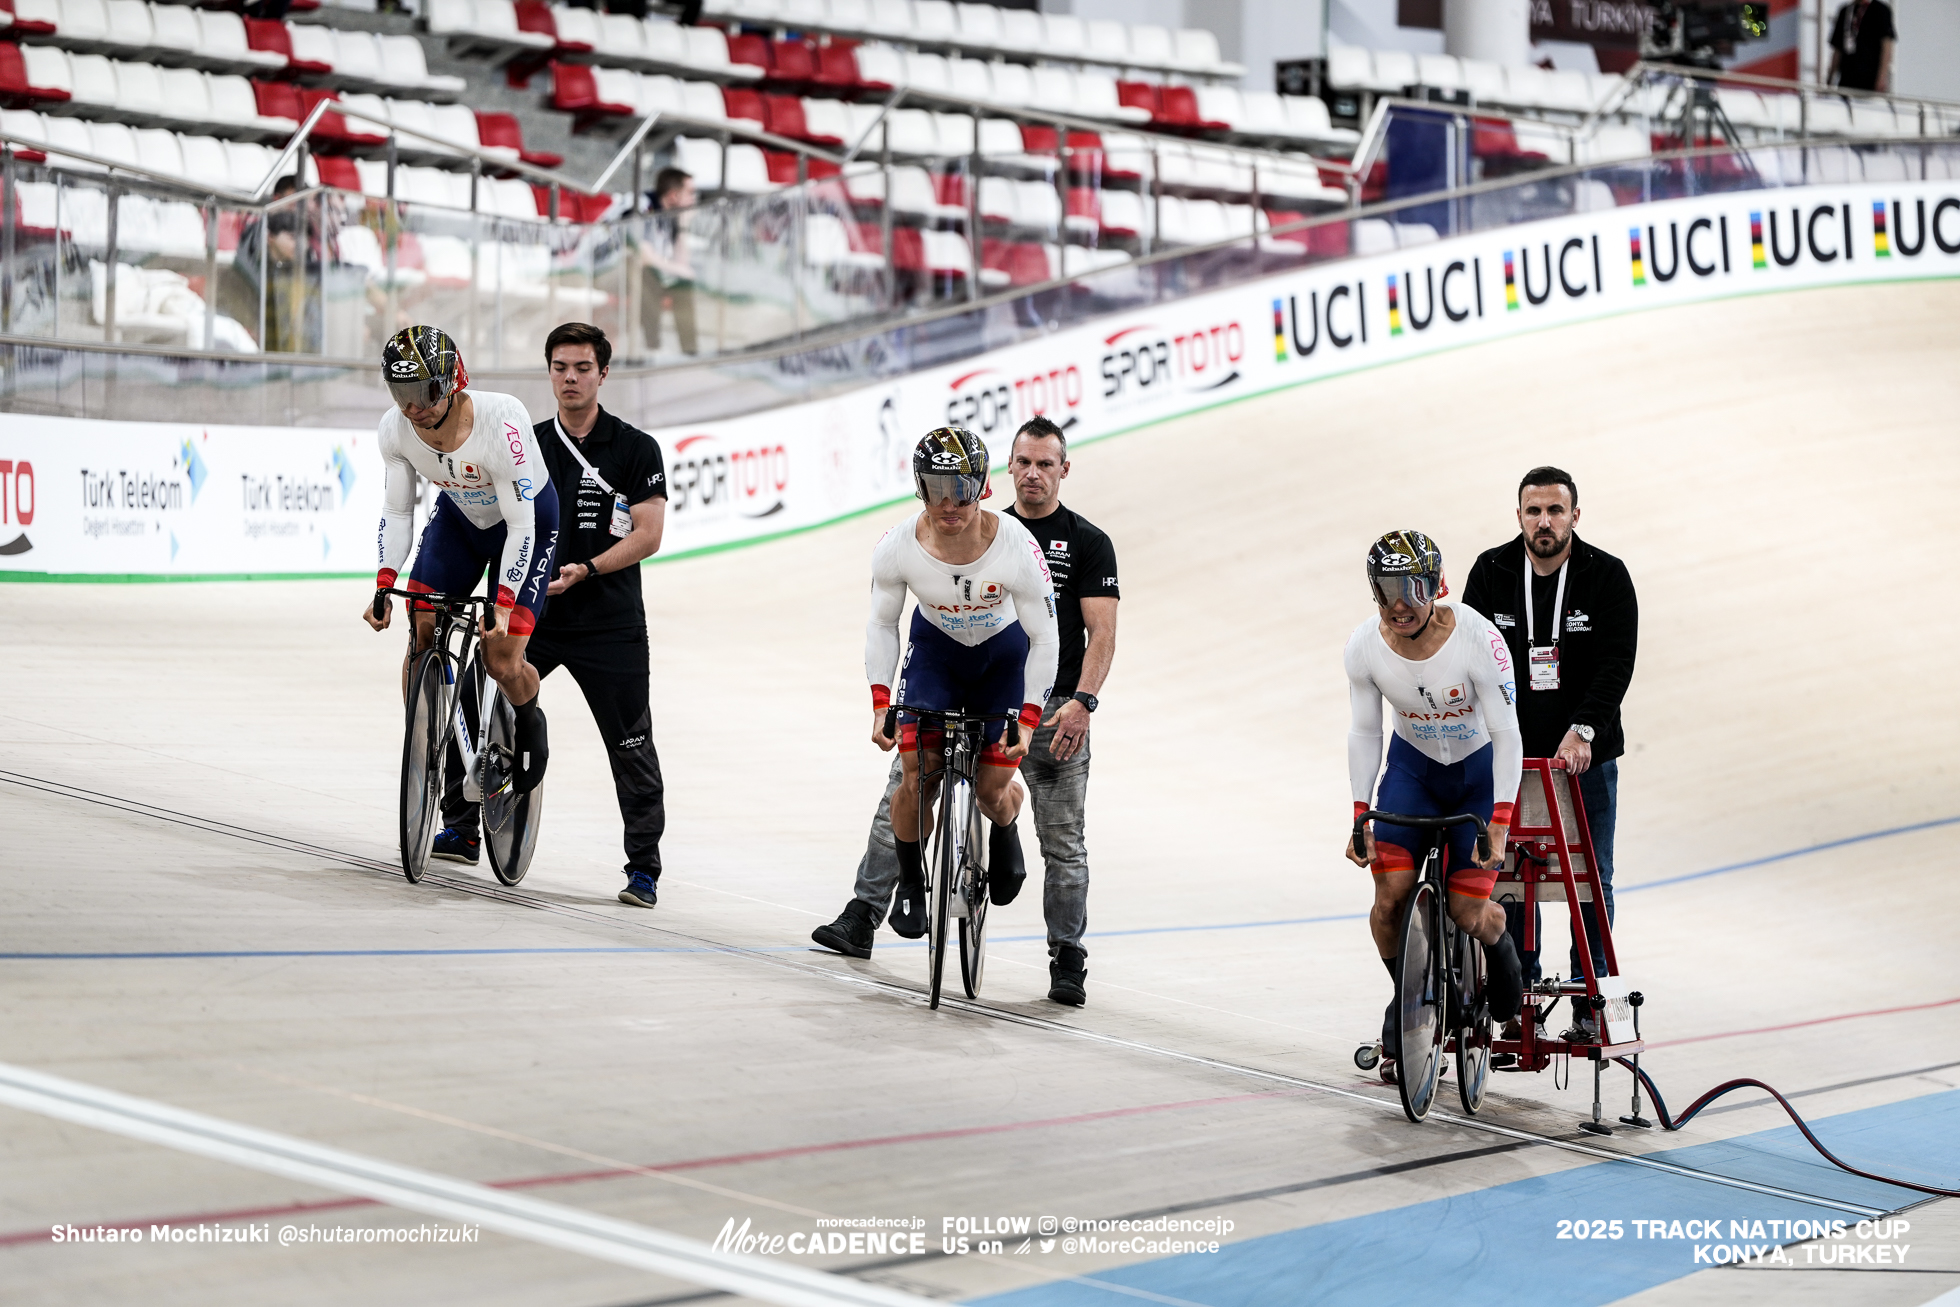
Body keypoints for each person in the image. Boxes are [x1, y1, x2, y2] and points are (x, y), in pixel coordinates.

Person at [811, 416, 1118, 1007]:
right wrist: (880, 702)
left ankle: (1056, 935)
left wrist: (1054, 710)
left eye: (1045, 463)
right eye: (936, 489)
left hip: (1023, 678)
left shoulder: (1048, 545)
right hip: (940, 661)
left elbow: (1072, 636)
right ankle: (891, 897)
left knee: (1021, 810)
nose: (948, 503)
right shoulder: (905, 541)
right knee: (910, 777)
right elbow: (882, 623)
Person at [430, 323, 671, 909]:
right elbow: (484, 520)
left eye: (582, 367)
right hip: (530, 612)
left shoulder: (636, 448)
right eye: (560, 367)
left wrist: (587, 569)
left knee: (630, 741)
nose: (570, 377)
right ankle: (461, 827)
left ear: (603, 373)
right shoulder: (525, 442)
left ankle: (643, 867)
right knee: (469, 697)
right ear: (549, 373)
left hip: (609, 622)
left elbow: (650, 535)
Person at [1461, 467, 1637, 1033]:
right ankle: (1518, 1003)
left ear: (1574, 517)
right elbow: (1469, 655)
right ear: (1519, 516)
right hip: (1512, 759)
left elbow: (1616, 662)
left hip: (1583, 759)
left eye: (1555, 511)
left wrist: (1584, 728)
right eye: (1533, 511)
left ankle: (1592, 1003)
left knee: (1591, 875)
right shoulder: (1491, 571)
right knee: (1510, 872)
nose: (1544, 522)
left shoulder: (1607, 576)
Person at [1345, 530, 1524, 1070]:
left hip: (1476, 776)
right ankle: (1410, 1000)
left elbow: (1508, 733)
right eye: (1386, 589)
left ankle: (1501, 945)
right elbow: (1364, 733)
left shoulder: (1478, 638)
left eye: (1413, 588)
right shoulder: (1363, 647)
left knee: (1467, 911)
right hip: (1413, 773)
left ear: (1436, 585)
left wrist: (1500, 820)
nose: (1400, 604)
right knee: (1388, 903)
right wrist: (1359, 814)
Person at [363, 324, 557, 796]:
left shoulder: (502, 420)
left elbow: (522, 527)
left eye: (423, 391)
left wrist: (505, 602)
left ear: (451, 382)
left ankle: (531, 724)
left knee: (500, 657)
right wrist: (385, 582)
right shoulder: (395, 428)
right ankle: (428, 740)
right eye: (399, 393)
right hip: (460, 518)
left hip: (525, 523)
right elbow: (397, 508)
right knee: (421, 620)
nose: (412, 407)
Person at [639, 169, 698, 357]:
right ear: (673, 195)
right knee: (648, 275)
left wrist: (683, 226)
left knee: (682, 283)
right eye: (690, 193)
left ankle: (690, 352)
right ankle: (652, 349)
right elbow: (643, 256)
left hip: (645, 273)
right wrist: (680, 270)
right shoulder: (643, 205)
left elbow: (682, 262)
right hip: (607, 271)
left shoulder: (672, 215)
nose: (694, 199)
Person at [1828, 0, 1896, 94]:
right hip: (1847, 79)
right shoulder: (1845, 11)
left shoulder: (1880, 10)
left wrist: (1882, 78)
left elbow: (1887, 46)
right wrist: (1829, 79)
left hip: (1870, 80)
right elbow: (1837, 50)